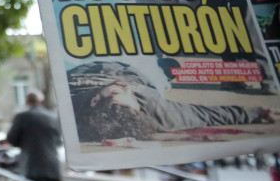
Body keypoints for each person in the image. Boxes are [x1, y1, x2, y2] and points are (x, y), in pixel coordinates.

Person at [68, 61, 280, 142]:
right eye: (125, 95)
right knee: (159, 75)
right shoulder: (161, 111)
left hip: (81, 71)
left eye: (114, 94)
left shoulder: (75, 105)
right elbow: (208, 115)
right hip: (137, 72)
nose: (123, 89)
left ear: (95, 101)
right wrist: (257, 113)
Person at [6, 90, 63, 181]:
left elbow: (11, 139)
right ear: (41, 102)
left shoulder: (22, 116)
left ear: (27, 102)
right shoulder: (52, 116)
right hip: (52, 167)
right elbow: (58, 141)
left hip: (32, 167)